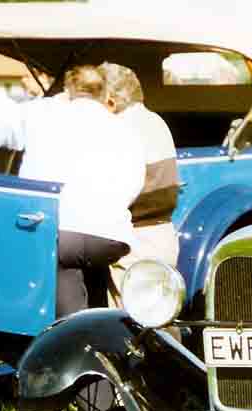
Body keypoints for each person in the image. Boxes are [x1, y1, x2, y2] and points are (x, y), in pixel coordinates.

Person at [0, 65, 145, 317]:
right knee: (91, 272)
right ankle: (100, 333)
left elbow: (4, 125)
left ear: (68, 90)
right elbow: (135, 183)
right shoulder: (124, 127)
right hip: (111, 236)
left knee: (60, 270)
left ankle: (69, 335)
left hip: (62, 232)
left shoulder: (44, 112)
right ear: (103, 92)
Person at [98, 62, 180, 304]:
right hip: (163, 234)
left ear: (110, 101)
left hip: (135, 239)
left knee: (128, 323)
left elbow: (113, 191)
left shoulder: (120, 129)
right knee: (159, 316)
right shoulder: (155, 120)